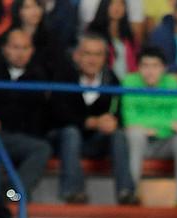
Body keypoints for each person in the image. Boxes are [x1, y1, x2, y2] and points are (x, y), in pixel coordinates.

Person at [47, 34, 137, 205]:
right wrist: (92, 122)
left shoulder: (112, 80)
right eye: (87, 53)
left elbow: (117, 112)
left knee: (117, 135)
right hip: (63, 142)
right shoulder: (63, 77)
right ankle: (73, 191)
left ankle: (126, 192)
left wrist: (112, 122)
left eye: (98, 55)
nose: (92, 59)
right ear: (77, 55)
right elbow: (58, 114)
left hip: (96, 142)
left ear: (104, 58)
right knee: (71, 132)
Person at [0, 29, 53, 200]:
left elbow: (41, 116)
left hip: (21, 137)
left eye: (25, 48)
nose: (20, 53)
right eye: (15, 47)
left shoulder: (39, 76)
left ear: (32, 50)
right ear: (5, 49)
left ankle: (15, 194)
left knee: (42, 148)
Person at [121, 45, 177, 206]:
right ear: (138, 67)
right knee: (135, 134)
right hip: (140, 143)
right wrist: (169, 124)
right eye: (145, 66)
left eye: (155, 66)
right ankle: (131, 195)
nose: (150, 71)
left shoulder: (172, 83)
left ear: (164, 68)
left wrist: (154, 126)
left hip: (164, 142)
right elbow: (130, 121)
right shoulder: (129, 81)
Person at [87, 0, 140, 80]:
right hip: (104, 83)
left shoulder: (130, 37)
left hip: (128, 84)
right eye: (113, 4)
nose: (117, 8)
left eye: (120, 4)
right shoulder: (93, 32)